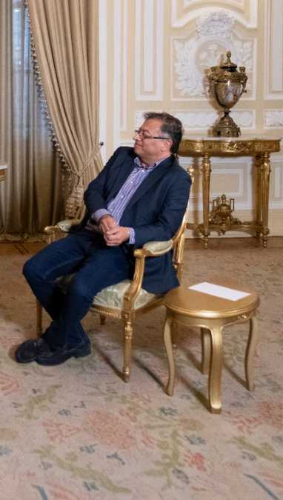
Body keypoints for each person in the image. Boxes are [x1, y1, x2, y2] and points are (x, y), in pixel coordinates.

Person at [16, 112, 191, 366]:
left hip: (122, 250)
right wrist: (103, 215)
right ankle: (74, 338)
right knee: (34, 269)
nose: (136, 137)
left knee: (80, 287)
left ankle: (53, 339)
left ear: (166, 144)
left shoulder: (177, 179)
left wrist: (127, 233)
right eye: (138, 131)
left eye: (144, 134)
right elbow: (94, 190)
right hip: (89, 233)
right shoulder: (122, 156)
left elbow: (166, 228)